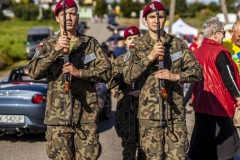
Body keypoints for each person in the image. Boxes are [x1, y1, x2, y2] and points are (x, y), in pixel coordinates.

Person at [28, 0, 112, 159]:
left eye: (72, 14)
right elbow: (33, 72)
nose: (68, 18)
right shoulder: (47, 44)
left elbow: (107, 72)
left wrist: (81, 73)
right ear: (57, 18)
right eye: (64, 14)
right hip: (58, 118)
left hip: (85, 117)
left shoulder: (90, 44)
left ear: (78, 17)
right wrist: (55, 51)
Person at [123, 1, 203, 159]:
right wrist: (150, 56)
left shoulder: (178, 44)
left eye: (159, 16)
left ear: (165, 18)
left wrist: (176, 76)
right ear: (145, 20)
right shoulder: (136, 46)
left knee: (178, 157)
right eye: (151, 16)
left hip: (175, 115)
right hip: (149, 116)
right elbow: (128, 75)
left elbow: (198, 72)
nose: (156, 20)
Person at [188, 17, 240, 160]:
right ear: (215, 33)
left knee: (203, 145)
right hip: (219, 105)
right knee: (225, 149)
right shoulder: (219, 51)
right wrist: (238, 97)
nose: (224, 36)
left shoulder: (197, 52)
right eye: (223, 33)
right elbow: (228, 78)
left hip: (200, 102)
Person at [106, 26, 145, 160]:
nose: (133, 41)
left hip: (145, 110)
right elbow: (109, 82)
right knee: (128, 150)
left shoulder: (149, 60)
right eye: (130, 38)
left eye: (136, 38)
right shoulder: (120, 60)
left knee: (145, 150)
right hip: (126, 111)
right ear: (125, 42)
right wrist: (125, 76)